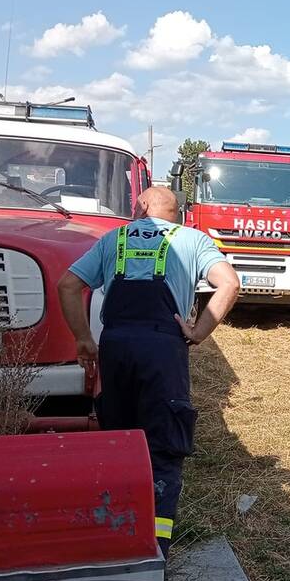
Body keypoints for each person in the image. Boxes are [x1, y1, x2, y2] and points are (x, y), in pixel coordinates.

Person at [57, 186, 240, 556]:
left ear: (141, 207)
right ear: (176, 213)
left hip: (117, 347)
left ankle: (114, 532)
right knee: (163, 444)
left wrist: (82, 339)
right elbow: (230, 283)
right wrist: (199, 331)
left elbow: (67, 284)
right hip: (163, 349)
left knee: (118, 439)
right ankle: (154, 546)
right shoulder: (192, 239)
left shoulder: (113, 240)